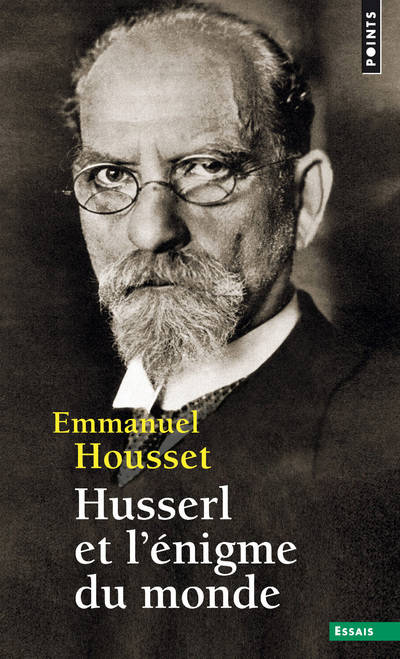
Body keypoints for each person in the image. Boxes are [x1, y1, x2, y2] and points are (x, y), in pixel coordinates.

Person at [5, 3, 396, 658]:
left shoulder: (380, 449)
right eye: (111, 176)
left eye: (207, 167)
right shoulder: (41, 444)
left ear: (304, 200)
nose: (150, 230)